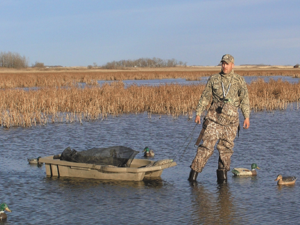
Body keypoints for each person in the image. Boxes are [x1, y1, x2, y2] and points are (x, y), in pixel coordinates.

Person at [188, 54, 250, 182]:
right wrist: (198, 113)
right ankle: (192, 179)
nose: (224, 66)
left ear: (232, 65)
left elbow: (244, 100)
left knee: (226, 150)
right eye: (223, 63)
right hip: (213, 120)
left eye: (227, 64)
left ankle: (222, 183)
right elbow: (205, 97)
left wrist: (246, 117)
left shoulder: (239, 80)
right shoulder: (214, 79)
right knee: (206, 147)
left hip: (231, 123)